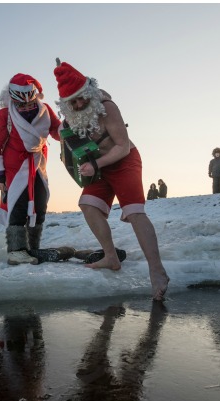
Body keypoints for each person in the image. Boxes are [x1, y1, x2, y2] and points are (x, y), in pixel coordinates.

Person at [53, 59, 169, 301]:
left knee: (135, 212)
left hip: (123, 160)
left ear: (90, 91)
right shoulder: (70, 118)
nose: (79, 103)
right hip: (100, 166)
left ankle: (156, 270)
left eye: (82, 96)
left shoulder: (107, 107)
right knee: (88, 205)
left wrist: (95, 164)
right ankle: (110, 257)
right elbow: (66, 143)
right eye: (72, 101)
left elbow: (123, 146)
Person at [0, 73, 62, 265]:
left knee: (40, 204)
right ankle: (16, 250)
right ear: (13, 100)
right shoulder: (5, 115)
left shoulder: (45, 111)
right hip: (15, 168)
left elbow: (57, 131)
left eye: (30, 104)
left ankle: (33, 247)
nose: (27, 107)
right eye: (22, 105)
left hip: (38, 164)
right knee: (18, 206)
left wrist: (70, 130)